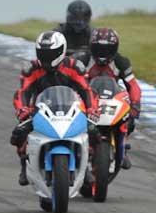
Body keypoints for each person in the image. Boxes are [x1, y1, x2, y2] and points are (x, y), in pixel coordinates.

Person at [10, 31, 99, 186]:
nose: (46, 57)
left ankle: (87, 166)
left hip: (72, 107)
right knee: (19, 132)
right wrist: (22, 109)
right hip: (40, 109)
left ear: (61, 51)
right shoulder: (31, 69)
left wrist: (92, 110)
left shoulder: (75, 67)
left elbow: (87, 91)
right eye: (43, 53)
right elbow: (22, 92)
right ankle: (24, 165)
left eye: (50, 53)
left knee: (94, 131)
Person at [80, 28, 142, 169]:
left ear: (115, 49)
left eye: (107, 49)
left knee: (130, 119)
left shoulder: (121, 62)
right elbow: (72, 82)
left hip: (112, 99)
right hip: (88, 100)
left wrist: (135, 104)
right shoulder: (83, 60)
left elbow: (133, 86)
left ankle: (122, 147)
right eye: (98, 49)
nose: (102, 53)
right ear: (91, 47)